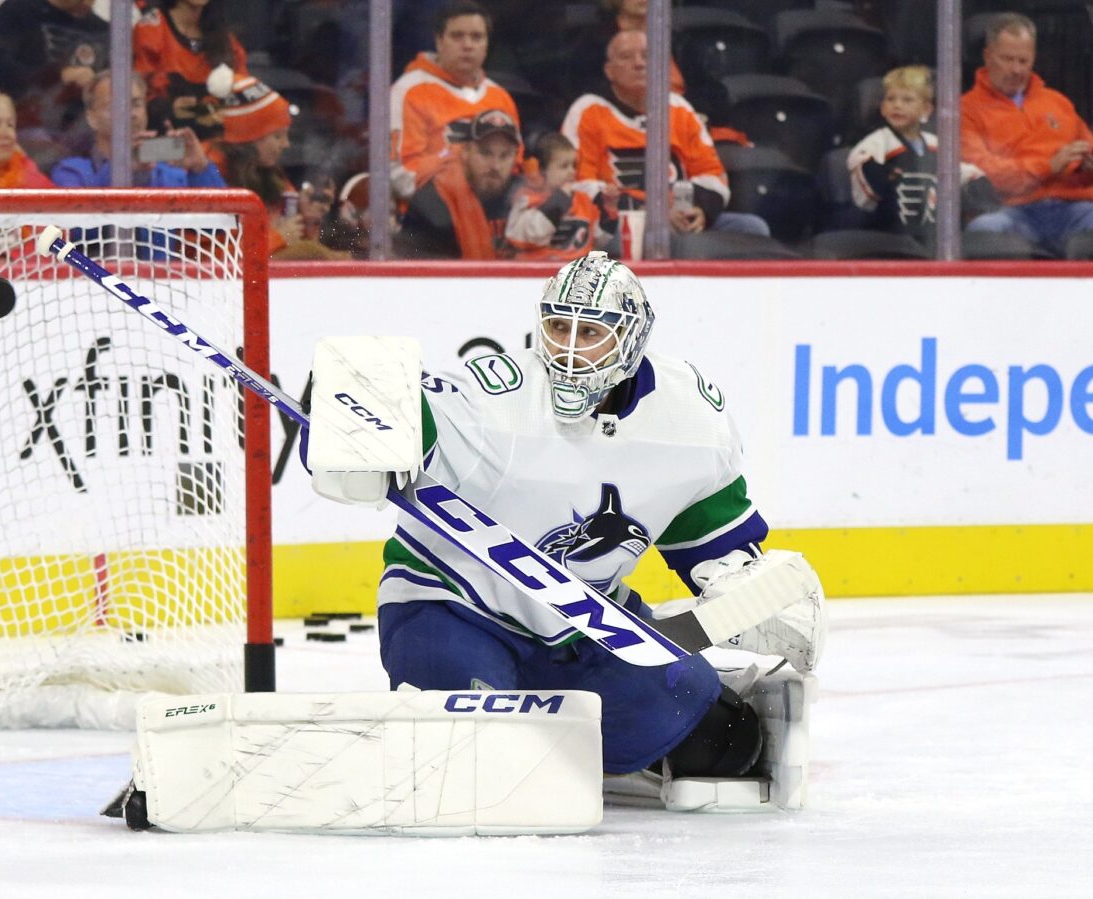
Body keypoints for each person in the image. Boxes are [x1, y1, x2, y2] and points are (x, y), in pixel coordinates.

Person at [313, 251, 824, 796]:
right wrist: (361, 429)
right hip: (451, 607)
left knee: (725, 748)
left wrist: (746, 589)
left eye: (591, 333)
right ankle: (533, 735)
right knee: (469, 764)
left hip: (588, 626)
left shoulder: (690, 417)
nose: (570, 349)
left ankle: (627, 733)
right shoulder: (499, 397)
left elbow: (712, 539)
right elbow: (417, 416)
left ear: (631, 339)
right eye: (559, 327)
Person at [561, 30, 769, 259]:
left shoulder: (679, 109)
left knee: (751, 228)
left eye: (646, 56)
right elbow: (579, 185)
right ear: (609, 71)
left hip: (679, 217)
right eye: (626, 57)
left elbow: (712, 175)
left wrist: (701, 211)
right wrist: (653, 214)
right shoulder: (588, 110)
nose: (639, 64)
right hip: (617, 222)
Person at [961, 12, 1093, 257]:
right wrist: (1049, 166)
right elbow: (985, 177)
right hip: (1013, 211)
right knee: (984, 230)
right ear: (988, 57)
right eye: (1008, 59)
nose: (1016, 69)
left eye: (1024, 60)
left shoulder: (1058, 102)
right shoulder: (966, 110)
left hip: (1075, 209)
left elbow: (1087, 146)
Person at [849, 66, 992, 249]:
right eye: (891, 99)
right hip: (890, 237)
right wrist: (883, 174)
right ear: (883, 108)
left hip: (933, 235)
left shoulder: (935, 144)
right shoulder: (878, 142)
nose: (897, 105)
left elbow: (961, 172)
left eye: (907, 100)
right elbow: (859, 164)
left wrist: (978, 184)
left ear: (926, 109)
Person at [390, 1, 523, 197]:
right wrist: (457, 191)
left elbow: (515, 166)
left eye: (476, 37)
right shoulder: (409, 91)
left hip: (490, 216)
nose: (468, 45)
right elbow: (401, 174)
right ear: (439, 41)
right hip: (428, 218)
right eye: (457, 36)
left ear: (486, 45)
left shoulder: (501, 98)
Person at [208, 74, 348, 260]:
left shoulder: (269, 174)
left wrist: (305, 218)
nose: (286, 144)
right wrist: (276, 238)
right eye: (277, 136)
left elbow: (296, 244)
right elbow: (210, 259)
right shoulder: (209, 177)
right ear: (250, 139)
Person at [0, 0, 110, 172]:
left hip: (87, 134)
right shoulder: (18, 13)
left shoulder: (104, 30)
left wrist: (97, 85)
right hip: (25, 130)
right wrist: (58, 76)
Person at [51, 70, 225, 189]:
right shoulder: (71, 172)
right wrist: (120, 170)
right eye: (115, 106)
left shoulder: (170, 173)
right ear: (91, 118)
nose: (131, 113)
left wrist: (201, 168)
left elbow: (220, 229)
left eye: (136, 104)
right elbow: (81, 231)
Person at [394, 108, 520, 260]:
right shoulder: (432, 205)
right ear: (465, 151)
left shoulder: (523, 196)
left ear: (515, 156)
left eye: (505, 155)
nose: (496, 166)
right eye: (485, 153)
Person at [133, 0, 249, 139]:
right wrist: (169, 109)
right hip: (162, 142)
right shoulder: (150, 30)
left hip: (218, 145)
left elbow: (243, 101)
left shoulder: (227, 41)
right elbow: (136, 101)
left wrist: (194, 111)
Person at [506, 132, 619, 260]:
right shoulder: (527, 201)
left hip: (577, 274)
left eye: (574, 165)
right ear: (542, 170)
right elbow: (526, 237)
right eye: (563, 166)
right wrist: (559, 201)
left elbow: (601, 239)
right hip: (539, 275)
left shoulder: (583, 200)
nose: (572, 171)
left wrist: (609, 210)